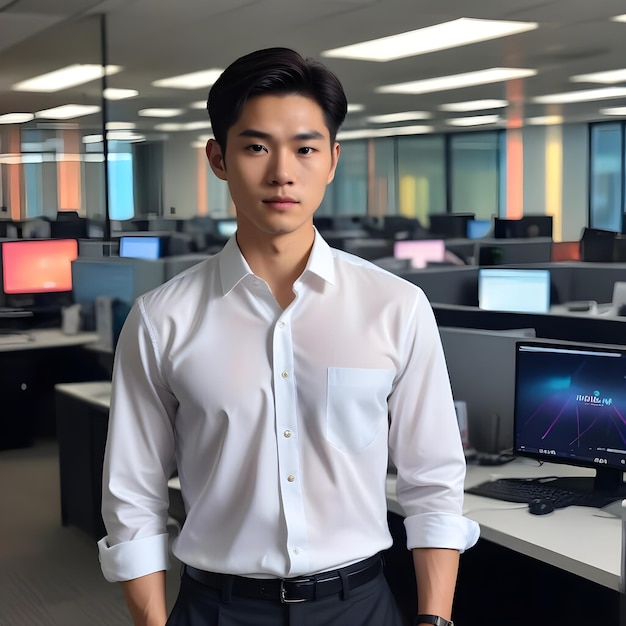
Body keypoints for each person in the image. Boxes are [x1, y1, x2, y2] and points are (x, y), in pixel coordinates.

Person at [98, 47, 480, 626]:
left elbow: (433, 481)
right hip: (218, 609)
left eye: (305, 148)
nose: (282, 171)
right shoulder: (161, 320)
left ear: (331, 160)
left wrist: (435, 619)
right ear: (219, 158)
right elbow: (133, 498)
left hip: (361, 605)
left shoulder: (395, 307)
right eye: (256, 146)